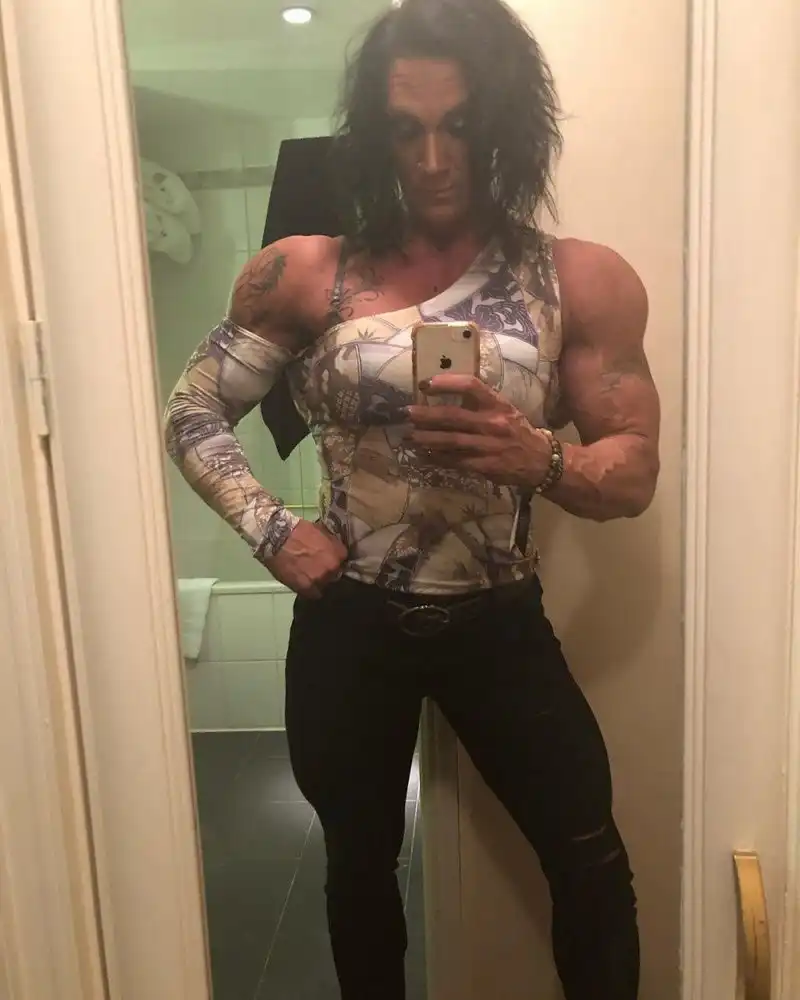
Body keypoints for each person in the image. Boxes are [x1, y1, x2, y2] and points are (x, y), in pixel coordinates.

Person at [164, 0, 660, 996]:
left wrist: (538, 459)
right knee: (357, 868)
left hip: (498, 621)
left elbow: (635, 470)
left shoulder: (577, 280)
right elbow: (192, 408)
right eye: (405, 129)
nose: (433, 158)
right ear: (372, 133)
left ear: (504, 123)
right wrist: (271, 530)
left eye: (459, 124)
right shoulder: (305, 272)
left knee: (589, 860)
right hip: (349, 622)